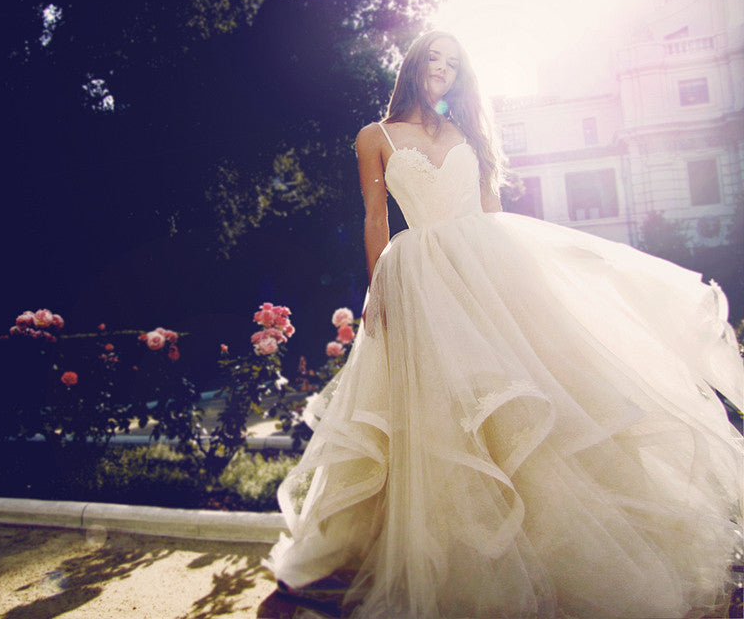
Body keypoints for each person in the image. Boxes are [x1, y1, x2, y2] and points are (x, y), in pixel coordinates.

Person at [266, 31, 744, 618]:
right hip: (420, 278)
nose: (442, 69)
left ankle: (556, 550)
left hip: (489, 269)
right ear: (414, 67)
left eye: (453, 63)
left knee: (532, 393)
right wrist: (380, 289)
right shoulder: (376, 137)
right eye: (433, 59)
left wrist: (522, 283)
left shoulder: (470, 133)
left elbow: (492, 212)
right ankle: (454, 557)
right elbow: (374, 218)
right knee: (440, 410)